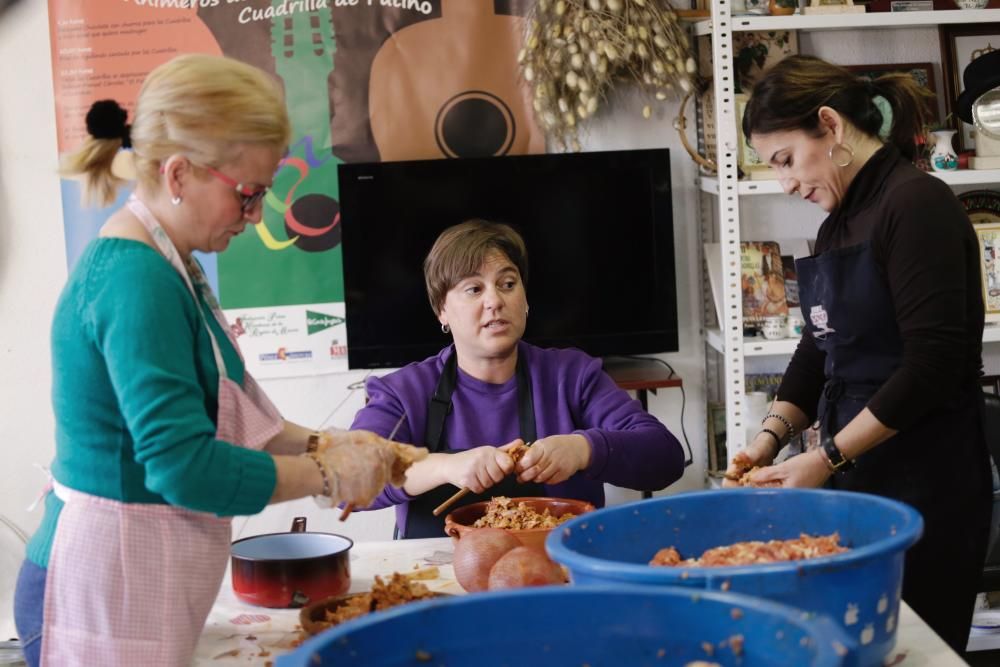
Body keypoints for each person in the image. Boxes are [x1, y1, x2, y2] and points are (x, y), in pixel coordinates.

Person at [12, 54, 424, 667]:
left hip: (139, 576)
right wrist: (329, 475)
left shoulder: (173, 266)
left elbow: (233, 416)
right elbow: (184, 468)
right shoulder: (135, 283)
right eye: (249, 193)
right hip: (99, 589)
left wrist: (332, 442)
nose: (258, 215)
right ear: (179, 174)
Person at [725, 54, 992, 652]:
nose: (786, 183)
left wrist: (828, 458)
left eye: (786, 161)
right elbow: (818, 348)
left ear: (831, 124)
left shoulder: (916, 204)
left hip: (926, 484)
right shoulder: (837, 224)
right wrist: (766, 440)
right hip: (859, 478)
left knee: (909, 650)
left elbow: (932, 366)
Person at [348, 220, 685, 539]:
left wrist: (584, 448)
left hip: (555, 574)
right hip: (438, 579)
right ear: (442, 310)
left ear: (524, 299)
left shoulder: (571, 376)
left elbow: (665, 457)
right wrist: (443, 466)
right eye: (473, 289)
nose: (495, 300)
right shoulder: (403, 392)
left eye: (507, 284)